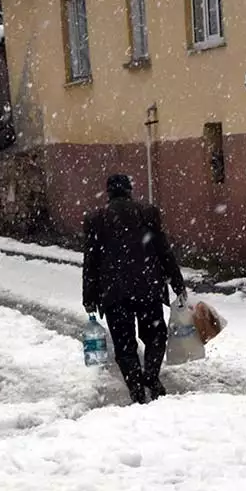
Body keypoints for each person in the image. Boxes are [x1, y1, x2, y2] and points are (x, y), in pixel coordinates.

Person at [83, 173, 187, 404]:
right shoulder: (147, 213)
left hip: (114, 293)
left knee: (124, 345)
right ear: (129, 190)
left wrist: (89, 296)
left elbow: (91, 262)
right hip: (148, 288)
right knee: (155, 337)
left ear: (108, 192)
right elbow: (163, 250)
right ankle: (150, 375)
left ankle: (136, 391)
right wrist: (177, 282)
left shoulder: (95, 218)